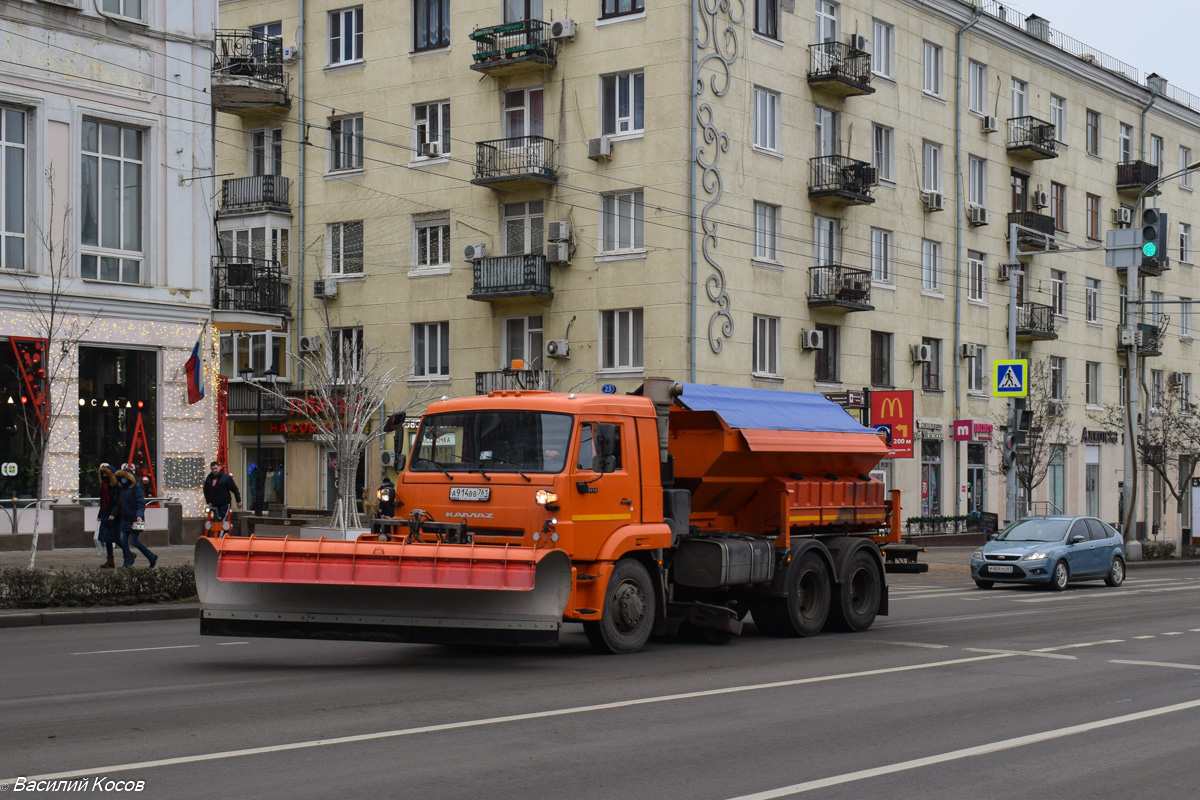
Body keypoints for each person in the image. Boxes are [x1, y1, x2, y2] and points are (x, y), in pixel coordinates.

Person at [115, 465, 156, 568]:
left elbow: (141, 503)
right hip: (125, 519)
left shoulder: (136, 487)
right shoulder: (123, 489)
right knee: (123, 540)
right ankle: (127, 562)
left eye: (125, 477)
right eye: (122, 478)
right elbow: (120, 504)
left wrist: (139, 515)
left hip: (134, 519)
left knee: (134, 541)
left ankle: (151, 556)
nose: (123, 480)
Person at [96, 463, 124, 569]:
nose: (104, 476)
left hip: (113, 515)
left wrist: (114, 514)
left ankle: (128, 553)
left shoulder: (117, 486)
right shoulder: (103, 485)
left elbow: (118, 502)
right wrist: (100, 514)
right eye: (102, 473)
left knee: (114, 538)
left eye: (106, 473)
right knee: (106, 538)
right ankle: (110, 560)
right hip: (105, 513)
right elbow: (102, 501)